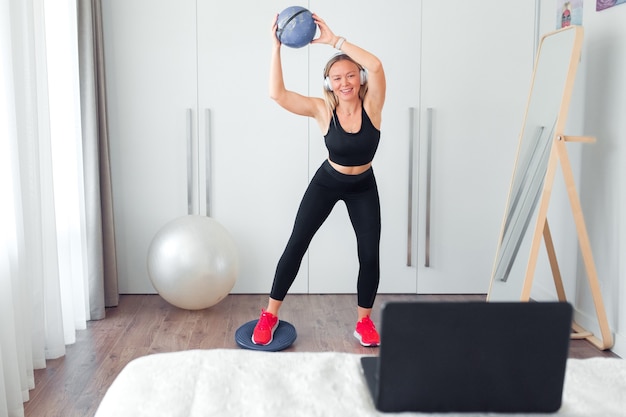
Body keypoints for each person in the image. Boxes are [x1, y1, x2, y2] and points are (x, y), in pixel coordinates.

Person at [252, 13, 386, 347]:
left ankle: (364, 322)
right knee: (297, 243)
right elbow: (277, 94)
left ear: (359, 78)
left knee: (369, 254)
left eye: (351, 75)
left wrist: (334, 41)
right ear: (329, 83)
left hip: (363, 185)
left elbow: (378, 65)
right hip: (327, 182)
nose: (345, 82)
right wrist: (275, 48)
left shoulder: (373, 104)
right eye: (337, 77)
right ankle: (269, 314)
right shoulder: (322, 109)